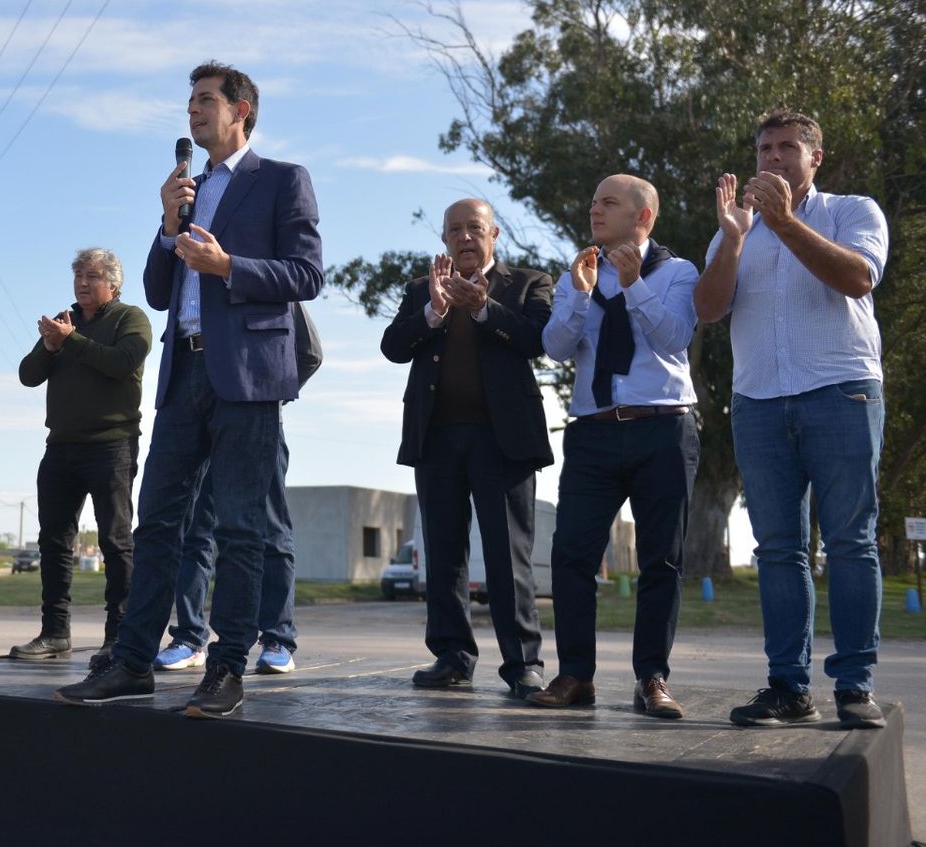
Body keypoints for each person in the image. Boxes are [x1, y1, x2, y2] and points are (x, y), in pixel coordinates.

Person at [55, 62, 323, 718]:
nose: (193, 110)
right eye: (190, 101)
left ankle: (227, 668)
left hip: (249, 377)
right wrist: (168, 223)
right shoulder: (187, 190)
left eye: (206, 100)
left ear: (242, 112)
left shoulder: (282, 180)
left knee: (239, 526)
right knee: (158, 525)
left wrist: (227, 264)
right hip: (184, 375)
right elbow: (154, 290)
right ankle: (133, 661)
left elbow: (307, 273)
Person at [694, 111, 890, 730]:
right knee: (779, 550)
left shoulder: (853, 211)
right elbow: (708, 308)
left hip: (842, 392)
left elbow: (857, 277)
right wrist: (733, 239)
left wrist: (783, 223)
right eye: (763, 149)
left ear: (815, 158)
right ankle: (787, 687)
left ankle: (855, 686)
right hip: (759, 402)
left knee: (850, 543)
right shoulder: (736, 227)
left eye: (786, 148)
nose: (772, 158)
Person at [527, 175, 699, 719]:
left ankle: (652, 678)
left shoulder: (677, 272)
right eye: (593, 199)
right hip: (594, 432)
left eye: (608, 202)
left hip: (662, 430)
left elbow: (675, 337)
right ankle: (576, 675)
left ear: (643, 216)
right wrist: (580, 296)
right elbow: (554, 349)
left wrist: (633, 286)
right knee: (571, 556)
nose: (593, 209)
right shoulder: (575, 274)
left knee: (661, 561)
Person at [380, 198, 552, 700]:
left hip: (504, 441)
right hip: (436, 438)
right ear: (445, 240)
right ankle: (452, 656)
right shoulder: (420, 289)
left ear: (494, 233)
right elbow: (393, 347)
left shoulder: (527, 283)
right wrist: (434, 310)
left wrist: (480, 308)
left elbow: (537, 340)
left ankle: (523, 663)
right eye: (454, 230)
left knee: (507, 556)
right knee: (444, 553)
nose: (464, 237)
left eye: (474, 228)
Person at [156, 301, 321, 675]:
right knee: (197, 531)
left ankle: (278, 637)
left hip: (255, 424)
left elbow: (309, 353)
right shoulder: (195, 295)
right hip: (201, 423)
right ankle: (190, 636)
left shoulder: (267, 283)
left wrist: (266, 391)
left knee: (270, 528)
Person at [9, 249, 152, 665]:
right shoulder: (64, 319)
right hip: (61, 446)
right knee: (54, 541)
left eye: (91, 276)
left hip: (112, 445)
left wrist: (71, 341)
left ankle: (119, 637)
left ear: (113, 283)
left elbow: (122, 363)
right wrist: (52, 346)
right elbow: (27, 375)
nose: (82, 284)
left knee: (115, 540)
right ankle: (55, 633)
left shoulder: (130, 318)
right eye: (77, 276)